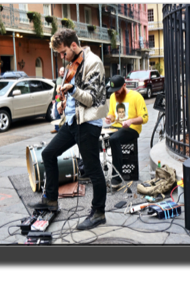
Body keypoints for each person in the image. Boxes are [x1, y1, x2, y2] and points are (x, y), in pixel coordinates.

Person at [30, 28, 109, 230]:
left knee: (93, 170)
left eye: (63, 52)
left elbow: (92, 99)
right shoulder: (72, 65)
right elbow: (69, 97)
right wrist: (61, 102)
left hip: (89, 123)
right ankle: (51, 201)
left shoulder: (94, 63)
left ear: (74, 45)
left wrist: (72, 89)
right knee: (48, 154)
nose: (62, 57)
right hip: (73, 121)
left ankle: (98, 212)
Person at [105, 75, 149, 189]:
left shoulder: (136, 96)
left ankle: (117, 177)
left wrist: (131, 121)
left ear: (124, 85)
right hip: (116, 127)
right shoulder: (113, 97)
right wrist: (109, 117)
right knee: (94, 135)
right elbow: (113, 115)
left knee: (114, 139)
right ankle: (91, 172)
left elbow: (144, 118)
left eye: (118, 90)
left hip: (132, 129)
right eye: (113, 91)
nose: (116, 93)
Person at [50, 67, 65, 134]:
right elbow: (55, 89)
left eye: (63, 71)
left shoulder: (67, 79)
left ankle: (65, 128)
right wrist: (53, 99)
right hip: (58, 99)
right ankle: (57, 128)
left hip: (65, 99)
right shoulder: (58, 79)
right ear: (59, 72)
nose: (62, 72)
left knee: (67, 114)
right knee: (56, 114)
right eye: (61, 71)